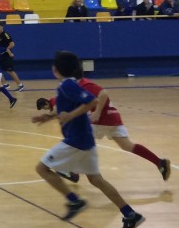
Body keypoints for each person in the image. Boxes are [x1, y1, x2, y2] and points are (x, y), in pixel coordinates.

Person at [30, 50, 145, 228]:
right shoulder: (68, 85)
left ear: (55, 69)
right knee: (96, 179)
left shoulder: (67, 85)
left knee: (42, 168)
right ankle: (130, 214)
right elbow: (66, 107)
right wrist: (48, 116)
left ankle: (74, 200)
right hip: (85, 141)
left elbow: (92, 101)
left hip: (76, 141)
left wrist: (70, 116)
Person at [36, 73, 170, 183]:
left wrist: (97, 112)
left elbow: (103, 93)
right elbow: (62, 109)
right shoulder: (74, 87)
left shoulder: (84, 84)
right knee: (127, 146)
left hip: (101, 119)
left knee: (77, 141)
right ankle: (159, 162)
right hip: (112, 117)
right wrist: (50, 117)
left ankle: (72, 172)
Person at [0, 23, 24, 91]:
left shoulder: (5, 35)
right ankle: (5, 85)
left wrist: (7, 50)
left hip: (7, 55)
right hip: (1, 55)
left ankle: (20, 85)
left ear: (2, 27)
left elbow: (12, 44)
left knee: (10, 71)